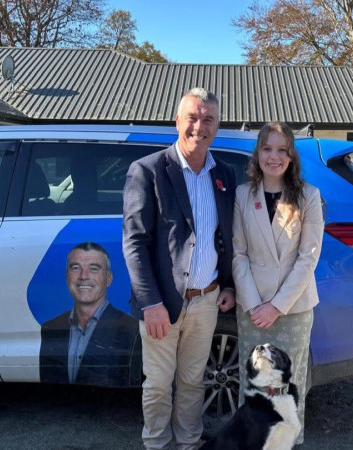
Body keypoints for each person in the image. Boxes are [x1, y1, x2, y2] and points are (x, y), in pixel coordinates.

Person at [122, 87, 236, 450]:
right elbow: (135, 243)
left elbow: (228, 237)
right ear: (177, 121)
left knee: (191, 380)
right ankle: (156, 444)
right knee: (157, 383)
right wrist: (150, 302)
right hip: (162, 303)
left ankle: (188, 442)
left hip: (207, 300)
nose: (199, 127)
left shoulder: (225, 175)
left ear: (216, 127)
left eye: (208, 120)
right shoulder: (149, 171)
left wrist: (229, 285)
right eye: (193, 117)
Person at [232, 122, 324, 445]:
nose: (274, 157)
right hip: (252, 310)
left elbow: (308, 258)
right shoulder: (244, 195)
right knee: (255, 385)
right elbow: (239, 254)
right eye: (267, 149)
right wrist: (256, 304)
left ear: (291, 155)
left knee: (288, 387)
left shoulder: (308, 197)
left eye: (281, 150)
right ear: (258, 153)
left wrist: (276, 306)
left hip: (292, 310)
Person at [39, 242, 141, 387]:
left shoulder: (130, 329)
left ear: (109, 279)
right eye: (75, 268)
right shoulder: (50, 328)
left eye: (94, 269)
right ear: (67, 277)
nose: (83, 276)